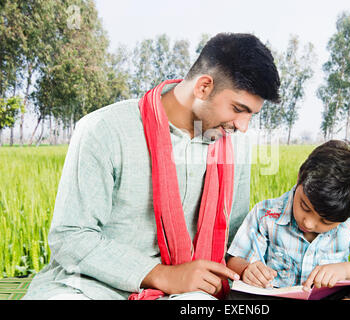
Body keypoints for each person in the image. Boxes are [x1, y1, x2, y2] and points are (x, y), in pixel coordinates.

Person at [22, 33, 280, 300]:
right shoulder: (105, 129)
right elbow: (71, 236)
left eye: (251, 114)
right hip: (89, 286)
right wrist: (163, 275)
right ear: (204, 87)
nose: (243, 125)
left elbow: (233, 240)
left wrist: (247, 267)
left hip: (187, 292)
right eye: (238, 108)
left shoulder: (234, 146)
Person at [226, 140, 350, 300]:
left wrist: (344, 270)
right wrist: (247, 269)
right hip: (276, 296)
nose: (308, 223)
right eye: (304, 207)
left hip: (331, 297)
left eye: (326, 222)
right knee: (236, 295)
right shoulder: (266, 213)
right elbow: (234, 260)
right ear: (300, 178)